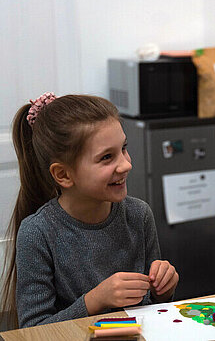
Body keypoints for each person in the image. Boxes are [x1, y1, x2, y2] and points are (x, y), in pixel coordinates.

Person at [0, 93, 179, 329]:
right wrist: (95, 300)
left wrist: (164, 291)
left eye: (123, 148)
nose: (126, 164)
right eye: (107, 157)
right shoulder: (37, 233)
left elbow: (154, 309)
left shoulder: (139, 215)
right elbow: (34, 330)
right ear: (63, 174)